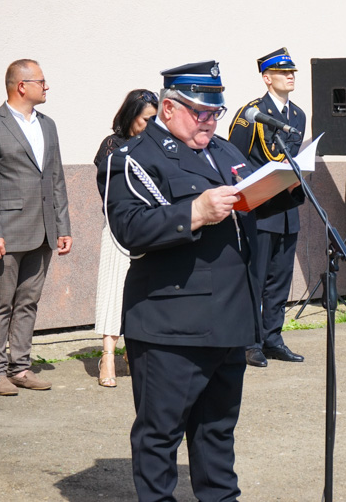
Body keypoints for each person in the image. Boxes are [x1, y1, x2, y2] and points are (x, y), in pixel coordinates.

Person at [99, 60, 264, 501]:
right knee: (159, 436)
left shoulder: (225, 150)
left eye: (215, 113)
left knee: (217, 434)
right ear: (168, 108)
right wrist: (195, 213)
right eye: (199, 112)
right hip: (171, 324)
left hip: (229, 318)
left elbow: (253, 199)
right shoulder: (132, 158)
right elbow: (128, 229)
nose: (209, 121)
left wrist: (281, 185)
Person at [0, 59, 72, 396]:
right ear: (21, 86)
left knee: (28, 300)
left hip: (42, 230)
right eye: (41, 81)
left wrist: (63, 225)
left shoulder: (49, 125)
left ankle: (21, 367)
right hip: (8, 232)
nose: (47, 86)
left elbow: (55, 178)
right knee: (1, 302)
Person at [228, 48, 306, 369]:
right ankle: (251, 341)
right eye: (283, 72)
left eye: (292, 72)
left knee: (280, 278)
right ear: (266, 78)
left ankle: (273, 337)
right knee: (255, 277)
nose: (291, 76)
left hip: (287, 208)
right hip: (260, 210)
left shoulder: (298, 115)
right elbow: (233, 160)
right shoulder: (251, 113)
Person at [92, 89, 159, 387]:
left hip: (153, 227)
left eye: (156, 119)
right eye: (147, 119)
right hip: (121, 228)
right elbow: (110, 190)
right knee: (114, 289)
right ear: (132, 117)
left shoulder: (159, 145)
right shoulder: (113, 146)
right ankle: (108, 355)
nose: (151, 125)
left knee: (146, 291)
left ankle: (136, 353)